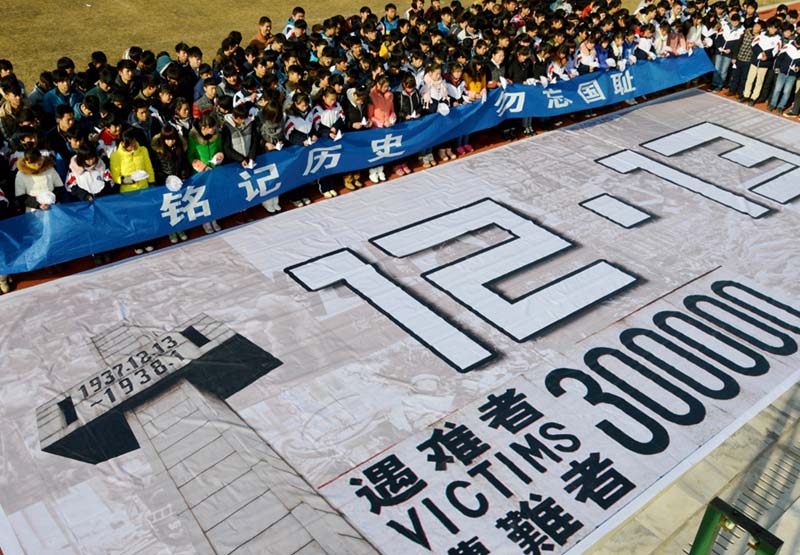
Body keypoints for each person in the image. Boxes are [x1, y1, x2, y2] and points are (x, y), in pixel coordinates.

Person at [151, 126, 191, 241]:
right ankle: (171, 230)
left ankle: (180, 228)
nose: (170, 142)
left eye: (173, 139)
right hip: (165, 183)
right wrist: (166, 179)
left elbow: (184, 163)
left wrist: (183, 175)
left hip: (178, 182)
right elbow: (156, 169)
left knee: (179, 206)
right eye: (167, 139)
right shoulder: (157, 151)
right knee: (169, 208)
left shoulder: (180, 147)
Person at [311, 87, 346, 197]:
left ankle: (331, 186)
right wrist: (328, 132)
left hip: (334, 138)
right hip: (323, 140)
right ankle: (324, 187)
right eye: (331, 99)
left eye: (334, 99)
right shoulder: (317, 109)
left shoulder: (337, 105)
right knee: (324, 164)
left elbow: (342, 117)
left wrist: (335, 127)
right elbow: (317, 125)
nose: (333, 101)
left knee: (333, 163)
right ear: (324, 98)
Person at [283, 92, 316, 207]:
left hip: (306, 149)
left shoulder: (309, 112)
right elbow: (288, 134)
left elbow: (312, 126)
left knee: (305, 172)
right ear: (295, 104)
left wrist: (313, 135)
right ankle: (294, 197)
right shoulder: (290, 115)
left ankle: (303, 194)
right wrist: (302, 141)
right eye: (302, 106)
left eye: (306, 105)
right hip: (295, 149)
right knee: (294, 174)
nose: (305, 107)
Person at [15, 148, 64, 213]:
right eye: (33, 163)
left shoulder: (49, 169)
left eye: (39, 161)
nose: (37, 164)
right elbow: (20, 196)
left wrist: (52, 199)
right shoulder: (21, 174)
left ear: (41, 157)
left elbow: (60, 187)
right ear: (26, 161)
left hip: (53, 206)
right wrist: (38, 205)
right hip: (34, 210)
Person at [342, 84, 371, 189]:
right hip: (349, 134)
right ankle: (348, 178)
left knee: (359, 155)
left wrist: (367, 121)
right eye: (359, 100)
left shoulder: (363, 100)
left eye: (363, 100)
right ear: (354, 95)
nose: (361, 102)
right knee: (349, 157)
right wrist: (351, 125)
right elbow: (341, 120)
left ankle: (356, 177)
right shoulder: (345, 103)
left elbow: (365, 114)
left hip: (360, 132)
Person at [257, 97, 284, 212]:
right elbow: (256, 136)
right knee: (267, 177)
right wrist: (265, 143)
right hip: (264, 151)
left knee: (276, 175)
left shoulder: (281, 118)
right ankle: (266, 201)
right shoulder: (259, 118)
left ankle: (275, 200)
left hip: (276, 150)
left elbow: (282, 134)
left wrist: (280, 142)